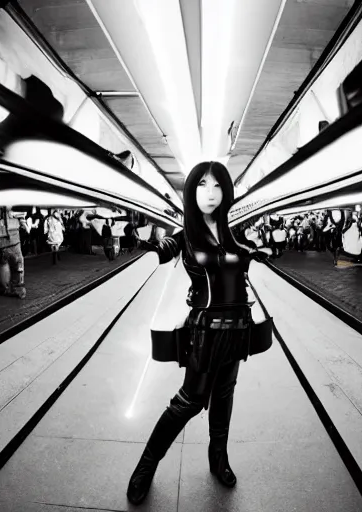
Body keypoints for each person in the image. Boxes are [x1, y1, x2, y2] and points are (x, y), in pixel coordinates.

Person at [127, 161, 270, 505]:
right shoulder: (186, 236)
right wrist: (149, 248)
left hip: (238, 329)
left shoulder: (232, 235)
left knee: (224, 394)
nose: (210, 193)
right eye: (203, 185)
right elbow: (165, 250)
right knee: (188, 402)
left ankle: (217, 459)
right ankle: (145, 467)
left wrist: (258, 255)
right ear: (191, 191)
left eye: (218, 186)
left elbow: (244, 258)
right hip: (205, 332)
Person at [0, 206, 27, 298]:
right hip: (14, 240)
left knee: (4, 264)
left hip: (1, 240)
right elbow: (22, 219)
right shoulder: (13, 205)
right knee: (18, 265)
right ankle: (18, 290)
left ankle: (5, 288)